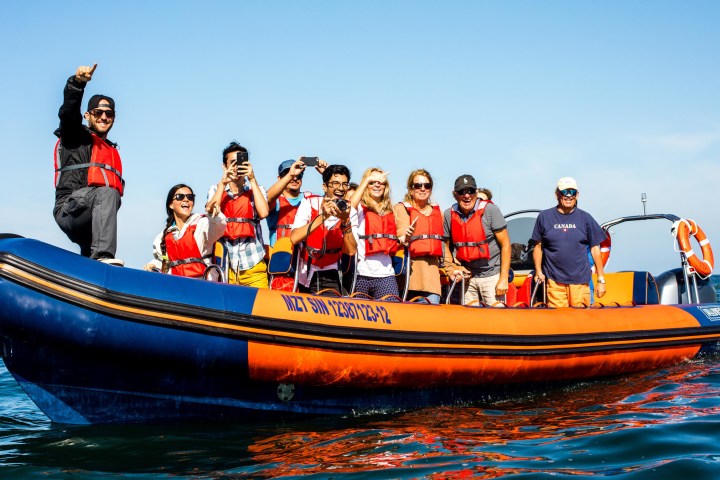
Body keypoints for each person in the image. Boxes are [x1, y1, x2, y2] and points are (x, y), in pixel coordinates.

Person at [53, 64, 124, 265]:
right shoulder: (75, 137)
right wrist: (77, 84)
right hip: (70, 207)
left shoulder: (110, 149)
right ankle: (103, 257)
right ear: (87, 115)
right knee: (108, 193)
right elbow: (68, 113)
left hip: (91, 221)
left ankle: (94, 270)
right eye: (98, 112)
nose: (103, 117)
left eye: (108, 114)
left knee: (110, 195)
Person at [531, 177, 607, 307]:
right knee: (558, 323)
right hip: (555, 283)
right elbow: (538, 247)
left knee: (582, 323)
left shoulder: (585, 218)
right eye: (564, 192)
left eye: (572, 192)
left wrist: (601, 280)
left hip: (581, 283)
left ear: (577, 195)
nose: (568, 196)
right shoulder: (544, 217)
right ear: (557, 195)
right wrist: (538, 271)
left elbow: (595, 249)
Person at [206, 142, 270, 288]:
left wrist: (252, 179)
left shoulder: (257, 189)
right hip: (226, 266)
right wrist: (223, 183)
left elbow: (264, 212)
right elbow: (210, 208)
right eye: (232, 163)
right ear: (224, 166)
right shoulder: (215, 189)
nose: (235, 167)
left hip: (253, 265)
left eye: (240, 162)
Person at [443, 174, 511, 306]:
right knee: (469, 322)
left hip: (492, 276)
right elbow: (445, 245)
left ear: (477, 192)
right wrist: (452, 268)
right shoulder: (448, 215)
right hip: (467, 278)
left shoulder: (491, 210)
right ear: (455, 194)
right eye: (462, 192)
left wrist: (503, 279)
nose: (467, 195)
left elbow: (506, 245)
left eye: (470, 191)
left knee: (497, 321)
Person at [290, 165, 357, 295]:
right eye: (335, 183)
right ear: (325, 187)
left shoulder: (350, 211)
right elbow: (295, 238)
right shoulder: (309, 203)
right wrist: (323, 216)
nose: (340, 188)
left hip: (332, 273)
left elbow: (351, 251)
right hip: (306, 274)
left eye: (344, 184)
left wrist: (345, 222)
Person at [348, 168, 406, 300]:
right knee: (360, 317)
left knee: (391, 314)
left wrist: (403, 238)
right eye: (372, 182)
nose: (377, 185)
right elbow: (350, 205)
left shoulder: (391, 210)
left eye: (381, 182)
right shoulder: (359, 209)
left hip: (386, 275)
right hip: (361, 274)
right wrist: (367, 179)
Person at [145, 184, 226, 277]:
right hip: (177, 286)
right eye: (180, 197)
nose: (186, 199)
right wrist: (153, 265)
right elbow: (162, 262)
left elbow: (219, 227)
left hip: (203, 284)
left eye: (190, 197)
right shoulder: (163, 236)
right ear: (171, 204)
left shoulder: (203, 224)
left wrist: (212, 212)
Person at [393, 169, 444, 304]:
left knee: (430, 322)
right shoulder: (400, 209)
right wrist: (404, 238)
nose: (422, 189)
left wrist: (452, 269)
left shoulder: (439, 213)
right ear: (410, 190)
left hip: (431, 282)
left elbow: (445, 247)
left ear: (431, 189)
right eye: (418, 185)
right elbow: (391, 242)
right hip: (406, 280)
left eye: (426, 186)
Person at [266, 158, 328, 246]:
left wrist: (327, 175)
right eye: (287, 173)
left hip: (304, 257)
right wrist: (291, 175)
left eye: (299, 175)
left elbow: (332, 202)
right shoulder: (276, 201)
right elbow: (267, 198)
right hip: (280, 256)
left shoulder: (310, 200)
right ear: (279, 178)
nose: (294, 178)